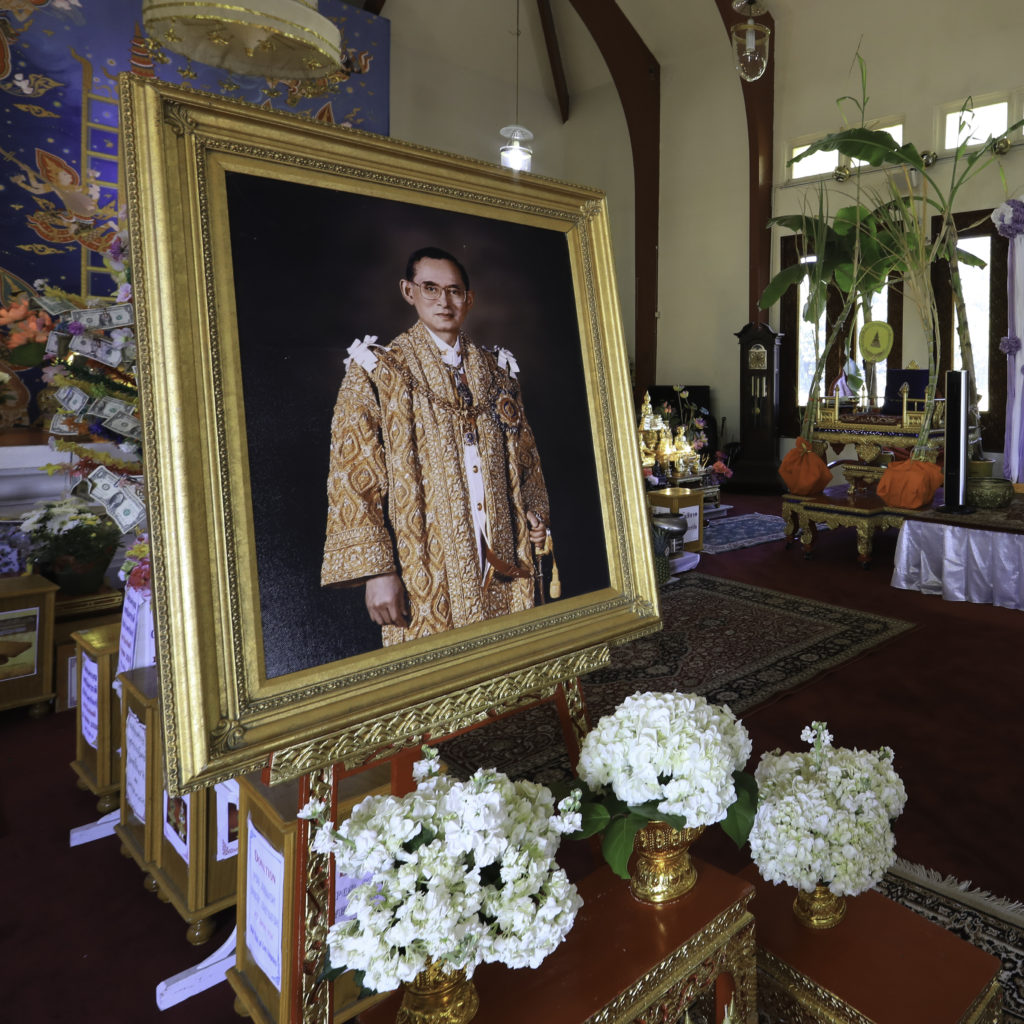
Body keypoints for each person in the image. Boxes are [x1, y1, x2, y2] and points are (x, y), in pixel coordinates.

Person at [321, 247, 551, 646]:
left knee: (508, 673)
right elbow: (352, 478)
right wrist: (378, 572)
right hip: (425, 564)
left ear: (470, 298)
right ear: (408, 291)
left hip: (502, 559)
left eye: (454, 291)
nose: (444, 302)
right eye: (430, 289)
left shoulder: (498, 373)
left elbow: (526, 460)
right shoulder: (375, 372)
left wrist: (536, 517)